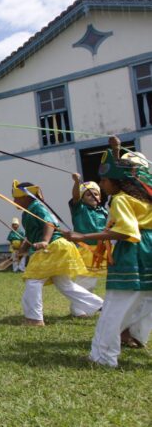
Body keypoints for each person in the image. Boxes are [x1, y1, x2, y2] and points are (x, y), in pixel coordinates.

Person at [64, 141, 152, 366]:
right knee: (143, 300)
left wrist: (83, 237)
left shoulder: (122, 199)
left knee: (115, 305)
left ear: (117, 181)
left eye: (104, 181)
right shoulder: (143, 196)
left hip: (134, 251)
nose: (102, 185)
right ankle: (133, 336)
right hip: (148, 247)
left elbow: (126, 231)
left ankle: (103, 356)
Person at [13, 180, 103, 325]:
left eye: (17, 197)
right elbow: (30, 235)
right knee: (65, 284)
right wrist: (22, 250)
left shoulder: (37, 206)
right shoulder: (28, 212)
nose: (14, 201)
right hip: (58, 248)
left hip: (53, 247)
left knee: (33, 281)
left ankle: (34, 318)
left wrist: (44, 241)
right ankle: (101, 305)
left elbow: (50, 223)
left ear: (27, 196)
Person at [69, 173, 109, 297]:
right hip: (85, 248)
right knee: (85, 280)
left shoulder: (103, 211)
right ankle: (78, 309)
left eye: (96, 194)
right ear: (82, 198)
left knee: (92, 280)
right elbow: (75, 197)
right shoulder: (80, 208)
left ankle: (86, 306)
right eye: (88, 194)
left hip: (100, 249)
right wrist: (76, 182)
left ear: (100, 197)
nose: (93, 196)